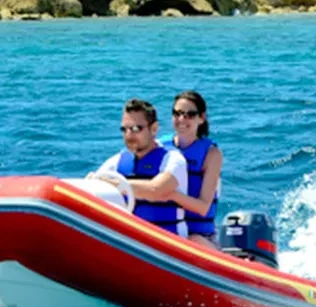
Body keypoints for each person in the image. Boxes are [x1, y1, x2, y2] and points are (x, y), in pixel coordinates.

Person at [91, 98, 188, 235]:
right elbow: (93, 183)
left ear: (154, 129)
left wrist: (113, 184)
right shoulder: (117, 161)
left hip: (167, 239)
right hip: (131, 240)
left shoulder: (173, 160)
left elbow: (156, 190)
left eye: (136, 128)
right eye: (124, 129)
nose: (129, 135)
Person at [165, 90, 223, 248]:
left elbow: (203, 207)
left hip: (199, 237)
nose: (182, 119)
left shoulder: (211, 154)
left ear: (201, 118)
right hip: (165, 229)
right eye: (177, 113)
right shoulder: (160, 147)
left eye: (189, 114)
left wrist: (166, 193)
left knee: (192, 241)